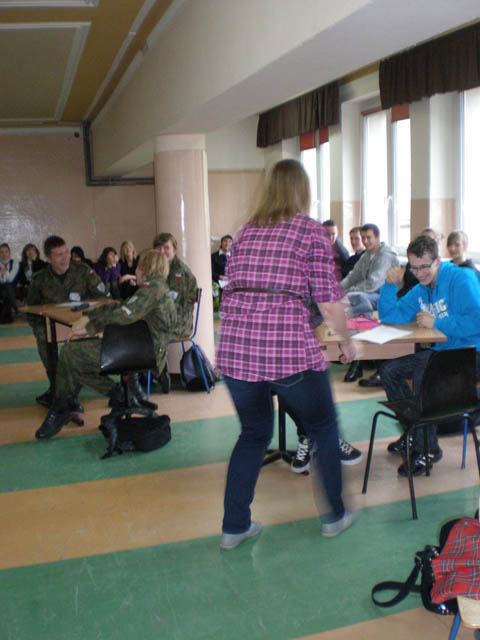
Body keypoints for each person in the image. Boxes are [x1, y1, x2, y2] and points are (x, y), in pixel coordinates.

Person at [216, 159, 359, 550]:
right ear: (302, 191)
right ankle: (335, 516)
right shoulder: (309, 231)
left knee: (253, 434)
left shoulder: (245, 233)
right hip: (287, 351)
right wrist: (346, 340)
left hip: (237, 352)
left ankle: (234, 527)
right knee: (324, 428)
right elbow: (328, 301)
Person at [35, 250, 177, 440]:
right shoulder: (156, 288)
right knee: (72, 359)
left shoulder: (151, 289)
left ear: (145, 267)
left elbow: (123, 315)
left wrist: (90, 327)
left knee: (71, 355)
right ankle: (116, 395)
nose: (135, 270)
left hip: (140, 351)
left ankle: (62, 407)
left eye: (138, 266)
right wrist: (90, 316)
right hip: (141, 347)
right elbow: (121, 306)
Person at [378, 235, 480, 476]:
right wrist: (389, 286)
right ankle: (416, 434)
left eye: (424, 266)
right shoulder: (421, 289)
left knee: (423, 377)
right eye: (414, 268)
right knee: (389, 371)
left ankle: (426, 448)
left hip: (471, 354)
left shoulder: (461, 278)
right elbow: (391, 316)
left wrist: (438, 322)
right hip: (442, 354)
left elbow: (477, 321)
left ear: (438, 261)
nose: (419, 273)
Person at [26, 235, 110, 409]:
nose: (65, 258)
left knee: (80, 351)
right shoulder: (40, 279)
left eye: (66, 252)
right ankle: (58, 388)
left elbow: (104, 298)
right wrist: (40, 327)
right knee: (43, 340)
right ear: (48, 259)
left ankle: (73, 388)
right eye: (59, 255)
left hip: (82, 323)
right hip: (52, 325)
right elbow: (31, 310)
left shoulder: (83, 271)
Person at [341, 223, 399, 382]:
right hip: (370, 296)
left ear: (377, 237)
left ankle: (358, 361)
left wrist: (347, 292)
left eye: (368, 237)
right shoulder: (367, 255)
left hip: (386, 297)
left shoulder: (385, 255)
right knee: (350, 300)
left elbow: (372, 284)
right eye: (363, 238)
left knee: (356, 298)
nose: (365, 241)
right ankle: (358, 357)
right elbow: (353, 276)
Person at [153, 232, 198, 393]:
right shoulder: (158, 270)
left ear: (175, 250)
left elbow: (174, 306)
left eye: (166, 248)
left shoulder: (180, 273)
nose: (162, 252)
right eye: (159, 248)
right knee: (140, 327)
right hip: (164, 318)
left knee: (152, 331)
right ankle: (152, 371)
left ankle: (158, 372)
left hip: (180, 321)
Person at [0, 243, 20, 322]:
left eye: (6, 252)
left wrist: (3, 269)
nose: (4, 254)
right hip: (1, 288)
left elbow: (10, 279)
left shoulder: (15, 263)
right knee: (6, 288)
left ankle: (4, 317)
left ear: (9, 252)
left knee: (7, 288)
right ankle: (15, 308)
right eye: (1, 252)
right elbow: (1, 280)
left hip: (12, 288)